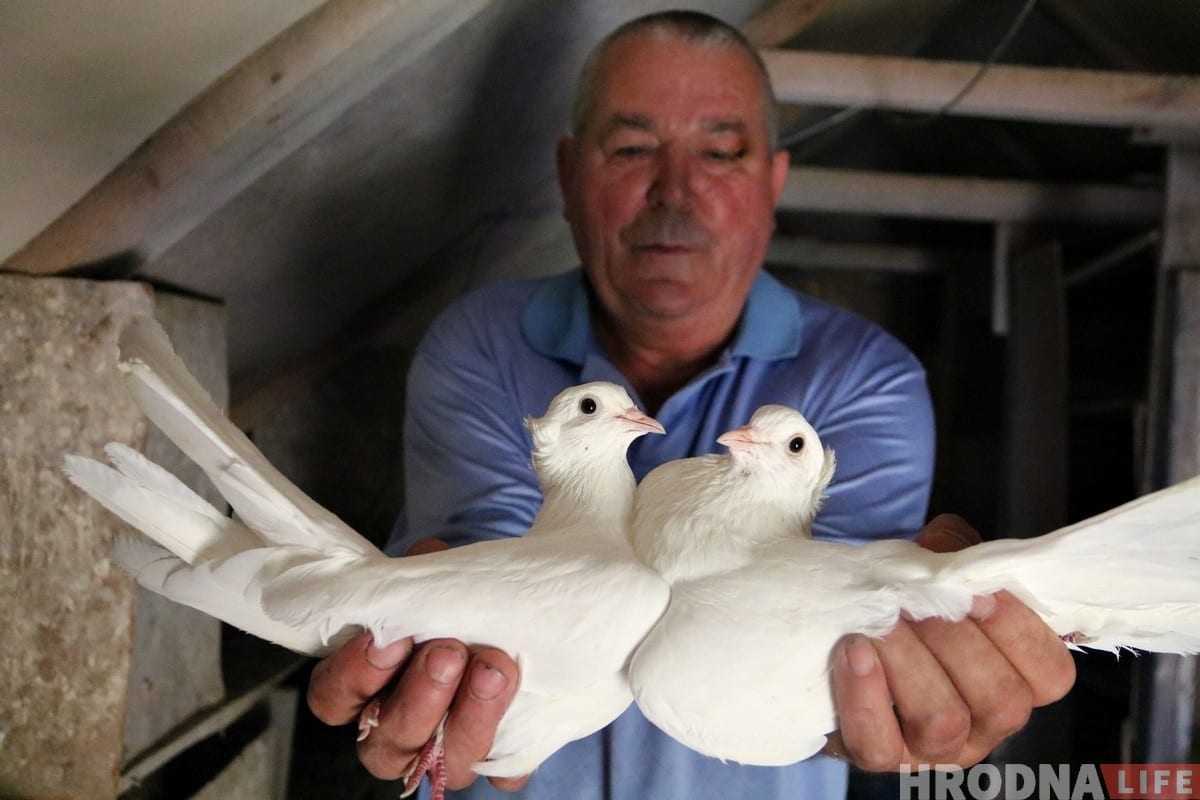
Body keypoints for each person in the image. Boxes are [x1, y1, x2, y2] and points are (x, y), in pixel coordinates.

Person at [306, 11, 1076, 799]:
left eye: (720, 150)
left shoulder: (866, 377)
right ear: (570, 176)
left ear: (772, 184)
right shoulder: (481, 344)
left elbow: (834, 650)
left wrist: (909, 686)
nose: (676, 192)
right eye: (633, 148)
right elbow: (513, 619)